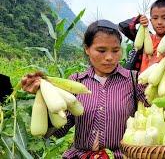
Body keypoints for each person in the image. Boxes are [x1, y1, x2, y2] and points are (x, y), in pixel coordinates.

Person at [21, 20, 149, 159]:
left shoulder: (134, 80)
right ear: (87, 49)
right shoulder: (74, 82)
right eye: (101, 50)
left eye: (116, 50)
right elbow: (59, 130)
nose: (109, 57)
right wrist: (43, 94)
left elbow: (153, 117)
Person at [119, 0, 165, 72]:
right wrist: (138, 19)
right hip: (142, 81)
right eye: (155, 18)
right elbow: (123, 26)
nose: (159, 22)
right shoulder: (145, 38)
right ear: (150, 20)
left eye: (164, 18)